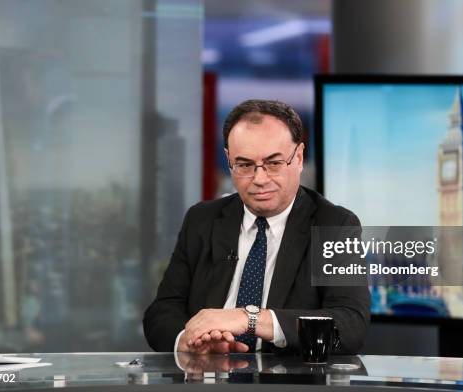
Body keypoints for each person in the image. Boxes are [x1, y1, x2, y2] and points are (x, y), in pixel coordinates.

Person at [143, 99, 370, 355]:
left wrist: (248, 319)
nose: (259, 179)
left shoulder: (334, 225)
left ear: (299, 157)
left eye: (274, 163)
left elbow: (350, 325)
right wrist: (189, 339)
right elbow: (161, 312)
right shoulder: (202, 220)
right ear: (229, 160)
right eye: (245, 165)